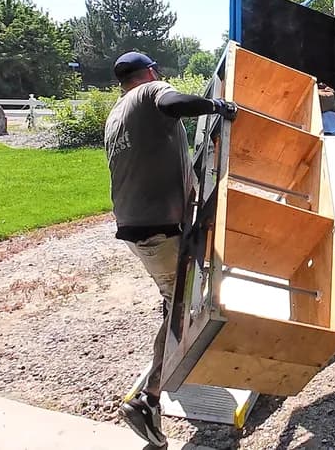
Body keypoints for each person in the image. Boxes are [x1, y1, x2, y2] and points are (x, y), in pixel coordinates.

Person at [103, 51, 236, 448]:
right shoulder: (150, 93)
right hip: (156, 227)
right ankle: (148, 399)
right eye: (156, 72)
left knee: (173, 300)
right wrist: (219, 106)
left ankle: (159, 382)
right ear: (149, 72)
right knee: (183, 306)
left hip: (136, 225)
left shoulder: (116, 114)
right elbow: (175, 102)